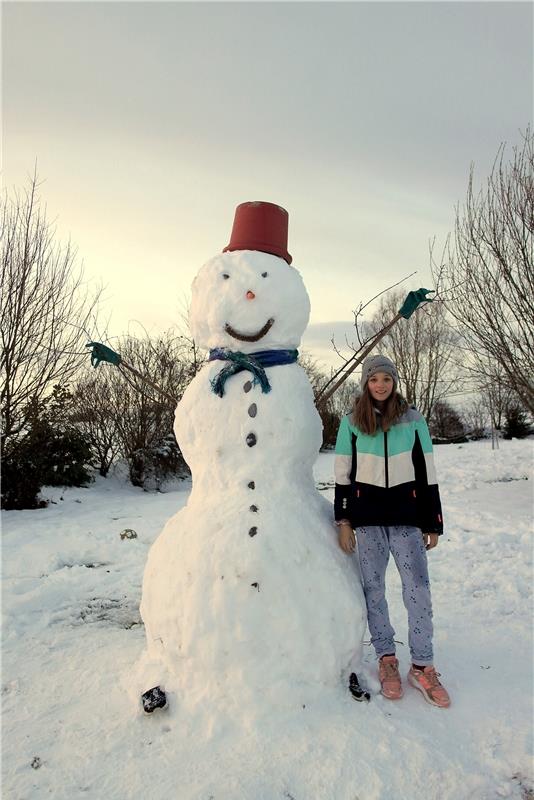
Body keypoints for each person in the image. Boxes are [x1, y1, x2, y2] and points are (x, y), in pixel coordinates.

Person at [334, 354, 450, 708]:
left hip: (407, 518)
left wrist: (433, 521)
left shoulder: (413, 420)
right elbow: (342, 475)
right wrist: (344, 521)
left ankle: (422, 664)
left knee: (418, 589)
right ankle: (386, 658)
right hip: (367, 522)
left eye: (386, 378)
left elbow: (427, 472)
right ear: (366, 384)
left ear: (394, 382)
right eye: (374, 379)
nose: (380, 385)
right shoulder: (352, 422)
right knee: (374, 589)